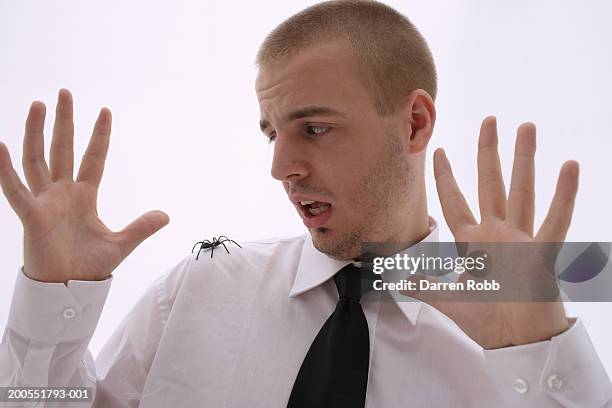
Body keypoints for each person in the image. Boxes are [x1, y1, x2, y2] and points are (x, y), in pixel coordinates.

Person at [0, 1, 610, 407]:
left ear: (416, 124)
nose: (280, 168)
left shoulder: (510, 337)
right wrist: (49, 306)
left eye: (314, 128)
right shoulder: (197, 290)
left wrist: (538, 355)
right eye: (271, 133)